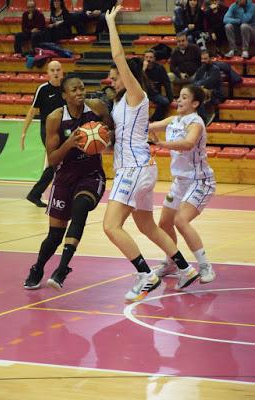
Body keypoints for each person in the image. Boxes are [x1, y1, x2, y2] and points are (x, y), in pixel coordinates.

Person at [103, 6, 200, 303]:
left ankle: (145, 274)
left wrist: (110, 23)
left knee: (110, 226)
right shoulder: (121, 103)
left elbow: (119, 58)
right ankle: (184, 267)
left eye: (116, 76)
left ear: (127, 76)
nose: (113, 79)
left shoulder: (136, 95)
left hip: (133, 169)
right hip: (139, 167)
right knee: (145, 224)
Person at [23, 72, 113, 290]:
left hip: (91, 174)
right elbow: (53, 159)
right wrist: (69, 143)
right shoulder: (55, 117)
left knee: (81, 208)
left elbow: (112, 130)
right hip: (65, 176)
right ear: (64, 95)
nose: (80, 93)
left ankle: (62, 268)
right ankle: (38, 268)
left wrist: (103, 137)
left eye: (82, 88)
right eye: (74, 90)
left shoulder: (97, 107)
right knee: (55, 235)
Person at [149, 84, 216, 284]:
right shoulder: (173, 121)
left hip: (200, 181)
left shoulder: (196, 123)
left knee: (181, 221)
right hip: (180, 181)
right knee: (164, 223)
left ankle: (205, 267)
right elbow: (149, 126)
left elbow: (188, 144)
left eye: (184, 97)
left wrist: (160, 144)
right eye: (179, 96)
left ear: (195, 103)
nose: (179, 100)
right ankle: (171, 261)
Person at [21, 60, 65, 207]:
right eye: (52, 70)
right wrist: (23, 133)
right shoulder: (43, 89)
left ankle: (35, 194)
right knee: (55, 161)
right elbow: (32, 111)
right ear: (47, 73)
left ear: (62, 71)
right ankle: (38, 194)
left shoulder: (66, 88)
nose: (56, 73)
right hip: (47, 131)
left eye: (58, 69)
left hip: (64, 129)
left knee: (60, 162)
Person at [194, 49, 224, 124]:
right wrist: (200, 85)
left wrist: (200, 85)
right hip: (203, 92)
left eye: (205, 59)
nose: (203, 61)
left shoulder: (215, 69)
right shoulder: (200, 69)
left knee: (201, 93)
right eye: (202, 59)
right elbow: (194, 82)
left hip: (215, 94)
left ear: (210, 59)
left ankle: (204, 119)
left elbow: (209, 82)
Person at [142, 49, 173, 122]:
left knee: (165, 102)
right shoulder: (140, 68)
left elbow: (166, 83)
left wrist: (170, 98)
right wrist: (143, 69)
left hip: (154, 94)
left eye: (151, 57)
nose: (148, 59)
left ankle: (153, 120)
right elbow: (136, 81)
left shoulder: (160, 68)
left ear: (154, 59)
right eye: (146, 57)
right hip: (141, 93)